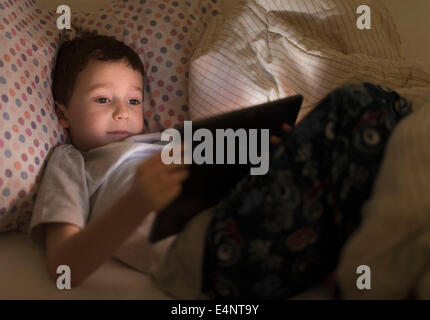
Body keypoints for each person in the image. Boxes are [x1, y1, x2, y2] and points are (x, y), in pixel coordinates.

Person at [30, 33, 412, 297]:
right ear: (63, 114)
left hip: (258, 217)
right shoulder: (71, 161)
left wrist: (266, 159)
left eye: (133, 101)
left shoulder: (167, 139)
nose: (121, 113)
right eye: (102, 100)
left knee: (380, 108)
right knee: (354, 104)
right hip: (212, 255)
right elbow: (65, 268)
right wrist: (137, 202)